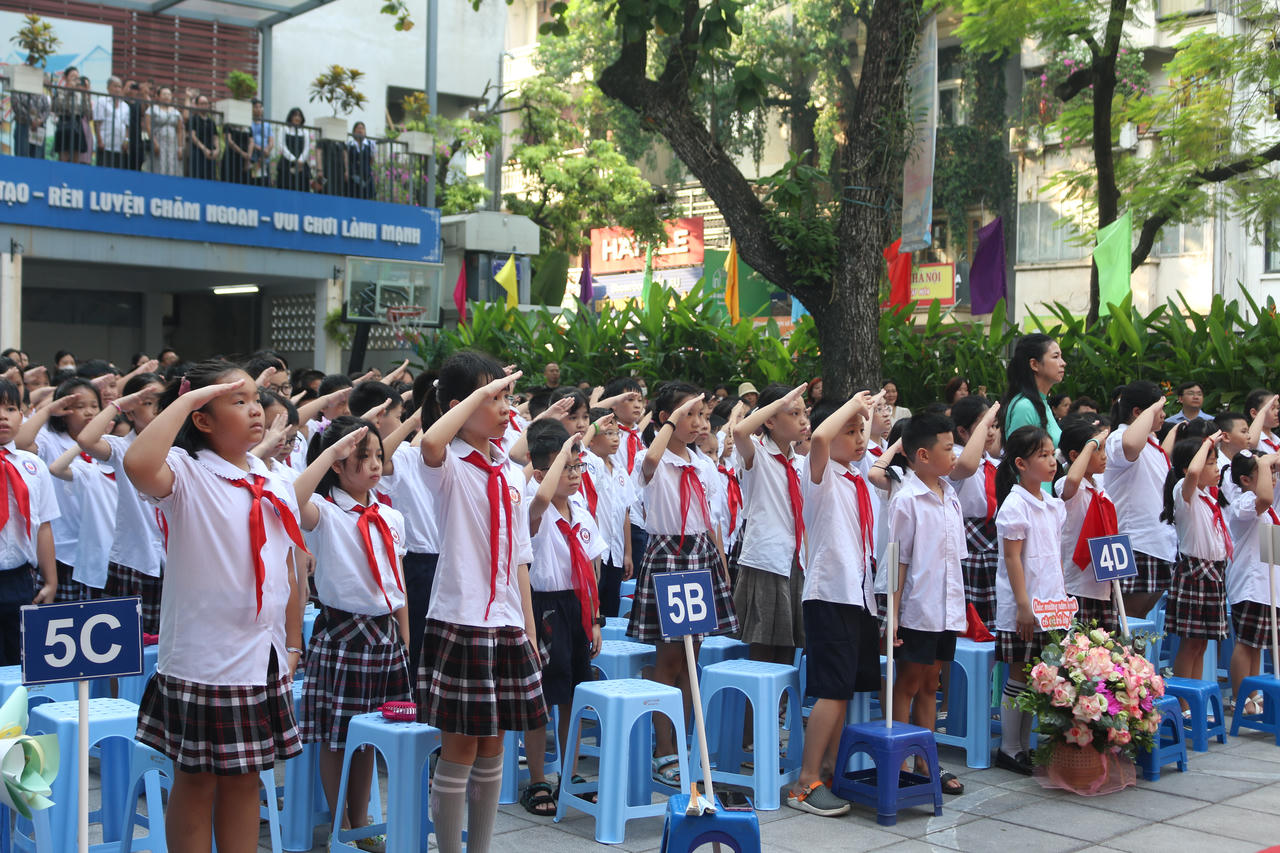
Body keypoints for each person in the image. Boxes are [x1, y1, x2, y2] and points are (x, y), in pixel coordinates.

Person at [124, 360, 306, 852]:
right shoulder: (187, 471)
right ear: (202, 419)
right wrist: (183, 400)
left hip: (258, 655)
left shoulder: (269, 475)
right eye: (238, 400)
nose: (256, 410)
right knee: (197, 780)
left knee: (247, 779)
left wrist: (291, 641)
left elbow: (287, 562)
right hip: (204, 659)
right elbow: (138, 465)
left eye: (255, 399)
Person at [415, 352, 546, 853]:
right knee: (461, 746)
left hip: (505, 621)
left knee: (495, 744)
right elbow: (430, 439)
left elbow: (518, 559)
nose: (504, 408)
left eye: (506, 398)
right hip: (462, 619)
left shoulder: (509, 473)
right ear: (459, 405)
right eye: (493, 398)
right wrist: (475, 397)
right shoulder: (448, 464)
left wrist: (528, 628)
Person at [296, 416, 411, 848]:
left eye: (378, 456)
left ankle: (360, 819)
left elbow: (396, 582)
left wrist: (404, 636)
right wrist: (330, 451)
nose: (375, 464)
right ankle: (342, 819)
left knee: (368, 737)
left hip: (384, 636)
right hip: (342, 635)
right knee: (336, 736)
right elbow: (291, 500)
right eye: (363, 457)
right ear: (339, 466)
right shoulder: (325, 512)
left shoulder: (392, 517)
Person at [631, 382, 737, 788]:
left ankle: (688, 744)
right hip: (668, 555)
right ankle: (664, 749)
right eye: (688, 415)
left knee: (694, 656)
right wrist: (670, 422)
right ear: (665, 420)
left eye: (702, 415)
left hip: (701, 555)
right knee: (670, 660)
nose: (697, 423)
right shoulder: (652, 458)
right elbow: (649, 463)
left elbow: (711, 520)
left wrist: (721, 564)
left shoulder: (704, 466)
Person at [785, 391, 881, 816]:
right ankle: (805, 783)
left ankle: (827, 769)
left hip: (857, 596)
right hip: (829, 595)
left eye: (862, 431)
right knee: (832, 690)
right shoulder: (818, 474)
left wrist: (868, 410)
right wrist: (850, 405)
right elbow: (821, 436)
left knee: (844, 691)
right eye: (851, 431)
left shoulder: (857, 479)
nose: (859, 438)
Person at [520, 423, 605, 817]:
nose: (573, 475)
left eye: (577, 468)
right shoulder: (534, 513)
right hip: (544, 607)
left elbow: (592, 569)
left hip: (577, 606)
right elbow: (539, 497)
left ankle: (568, 776)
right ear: (543, 473)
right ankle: (538, 778)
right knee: (540, 699)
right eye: (565, 468)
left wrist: (596, 620)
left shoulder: (581, 512)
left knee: (573, 694)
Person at [887, 411, 967, 794]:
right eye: (948, 448)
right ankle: (899, 759)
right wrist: (894, 613)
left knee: (931, 683)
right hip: (918, 608)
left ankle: (926, 760)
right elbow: (897, 561)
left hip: (945, 608)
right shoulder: (907, 499)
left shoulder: (949, 495)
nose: (955, 455)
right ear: (921, 455)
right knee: (907, 682)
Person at [993, 425, 1067, 776]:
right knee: (1020, 673)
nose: (1052, 461)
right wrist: (1023, 605)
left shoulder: (1051, 504)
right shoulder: (1014, 504)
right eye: (1043, 455)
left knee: (1040, 673)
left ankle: (1024, 746)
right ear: (1021, 463)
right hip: (1024, 606)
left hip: (1051, 605)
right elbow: (1012, 559)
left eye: (1053, 454)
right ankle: (1009, 747)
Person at [75, 373, 167, 633]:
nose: (157, 411)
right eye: (148, 403)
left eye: (162, 404)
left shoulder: (182, 448)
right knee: (123, 643)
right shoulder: (122, 447)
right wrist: (118, 404)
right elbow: (86, 440)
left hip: (176, 560)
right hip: (135, 559)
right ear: (130, 413)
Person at [732, 383, 811, 665]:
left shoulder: (800, 463)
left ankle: (782, 707)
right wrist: (779, 403)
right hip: (766, 560)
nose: (803, 420)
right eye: (793, 413)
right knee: (763, 645)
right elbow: (739, 431)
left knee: (789, 645)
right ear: (770, 420)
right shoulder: (757, 454)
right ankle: (761, 709)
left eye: (804, 413)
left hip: (795, 559)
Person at [18, 378, 104, 601]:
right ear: (63, 410)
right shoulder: (50, 439)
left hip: (100, 549)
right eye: (80, 406)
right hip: (61, 546)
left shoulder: (108, 442)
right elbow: (21, 442)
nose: (89, 412)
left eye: (94, 406)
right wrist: (48, 410)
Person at [1163, 434, 1232, 695]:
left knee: (1202, 645)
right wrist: (1208, 441)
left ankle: (1194, 698)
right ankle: (1182, 703)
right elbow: (1193, 471)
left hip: (1213, 573)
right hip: (1194, 573)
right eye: (1211, 463)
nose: (1217, 469)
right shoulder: (1185, 493)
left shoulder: (1208, 498)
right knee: (1190, 644)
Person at [0, 378, 59, 663]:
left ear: (23, 414)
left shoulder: (33, 465)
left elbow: (44, 524)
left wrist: (51, 580)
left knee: (20, 660)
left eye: (11, 408)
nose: (3, 416)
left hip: (21, 576)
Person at [1107, 381, 1177, 617]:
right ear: (1138, 412)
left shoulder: (1152, 444)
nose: (1164, 416)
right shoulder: (1119, 437)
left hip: (1157, 543)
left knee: (1141, 626)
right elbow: (1129, 444)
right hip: (1132, 542)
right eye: (1159, 410)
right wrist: (1151, 409)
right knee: (1127, 623)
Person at [1224, 450, 1279, 715]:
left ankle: (1252, 695)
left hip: (1267, 587)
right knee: (1246, 644)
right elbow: (1266, 496)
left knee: (1257, 645)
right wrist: (1266, 460)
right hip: (1250, 585)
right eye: (1266, 473)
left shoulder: (1266, 509)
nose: (1272, 478)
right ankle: (1239, 698)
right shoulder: (1244, 502)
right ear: (1246, 480)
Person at [1055, 419, 1119, 632]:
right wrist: (1092, 442)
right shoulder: (1066, 485)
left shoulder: (1099, 486)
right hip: (1077, 582)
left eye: (1103, 449)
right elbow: (1073, 478)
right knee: (1079, 649)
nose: (1103, 456)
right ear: (1075, 456)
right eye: (1097, 450)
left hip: (1103, 580)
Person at [945, 396, 1003, 629]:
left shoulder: (995, 464)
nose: (991, 432)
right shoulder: (955, 458)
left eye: (995, 426)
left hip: (993, 539)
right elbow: (966, 467)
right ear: (962, 430)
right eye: (984, 426)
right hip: (968, 539)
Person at [583, 408, 635, 617]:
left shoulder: (620, 470)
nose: (615, 439)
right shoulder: (586, 466)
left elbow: (625, 514)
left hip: (616, 553)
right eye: (608, 433)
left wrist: (628, 553)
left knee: (611, 609)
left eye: (617, 433)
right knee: (592, 609)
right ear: (592, 439)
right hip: (597, 552)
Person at [1000, 334, 1066, 448]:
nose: (1063, 363)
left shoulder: (1040, 401)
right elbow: (1018, 457)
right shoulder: (1025, 407)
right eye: (1055, 357)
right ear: (1034, 364)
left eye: (1061, 357)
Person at [52, 67, 89, 162]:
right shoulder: (60, 91)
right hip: (65, 122)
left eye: (77, 77)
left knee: (76, 153)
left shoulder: (80, 93)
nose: (75, 79)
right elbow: (58, 107)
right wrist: (69, 92)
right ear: (65, 78)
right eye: (73, 76)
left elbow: (86, 111)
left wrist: (86, 94)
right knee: (64, 154)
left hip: (77, 123)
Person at [93, 76, 130, 169]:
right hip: (105, 144)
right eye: (115, 86)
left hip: (119, 147)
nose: (117, 89)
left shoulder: (125, 106)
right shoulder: (102, 101)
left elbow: (126, 126)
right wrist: (99, 141)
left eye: (119, 87)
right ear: (108, 88)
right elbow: (97, 122)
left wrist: (126, 141)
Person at [11, 71, 51, 158]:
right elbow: (16, 105)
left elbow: (47, 109)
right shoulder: (18, 90)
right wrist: (31, 120)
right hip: (23, 125)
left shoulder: (41, 94)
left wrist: (40, 120)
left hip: (38, 128)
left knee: (37, 157)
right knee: (22, 156)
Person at [146, 87, 183, 177]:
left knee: (172, 165)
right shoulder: (152, 109)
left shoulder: (176, 112)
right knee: (159, 164)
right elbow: (148, 126)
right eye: (164, 94)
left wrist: (180, 147)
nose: (167, 96)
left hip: (172, 142)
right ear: (158, 96)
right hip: (158, 140)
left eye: (169, 94)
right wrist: (155, 143)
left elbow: (179, 130)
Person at [278, 108, 312, 191]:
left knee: (302, 187)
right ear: (291, 117)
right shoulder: (284, 129)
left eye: (299, 116)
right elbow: (282, 146)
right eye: (295, 115)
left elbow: (307, 148)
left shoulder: (305, 131)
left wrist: (301, 160)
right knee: (286, 187)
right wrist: (293, 159)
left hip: (301, 163)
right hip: (286, 162)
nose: (297, 118)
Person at [186, 95, 219, 180]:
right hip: (197, 152)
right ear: (197, 105)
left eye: (206, 103)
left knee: (211, 178)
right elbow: (192, 136)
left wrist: (217, 150)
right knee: (197, 176)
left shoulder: (211, 122)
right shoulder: (193, 119)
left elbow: (215, 137)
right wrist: (204, 149)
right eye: (202, 103)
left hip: (210, 153)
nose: (204, 106)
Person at [222, 114, 254, 185]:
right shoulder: (228, 125)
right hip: (231, 158)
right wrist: (242, 153)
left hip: (245, 160)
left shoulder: (248, 127)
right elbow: (229, 140)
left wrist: (248, 157)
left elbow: (251, 142)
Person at [1245, 388, 1280, 454]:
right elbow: (1251, 442)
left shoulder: (1277, 440)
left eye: (1278, 408)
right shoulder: (1253, 438)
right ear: (1254, 413)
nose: (1277, 413)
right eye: (1272, 408)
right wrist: (1263, 411)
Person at [250, 99, 275, 187]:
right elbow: (249, 140)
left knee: (265, 183)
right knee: (253, 183)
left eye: (260, 107)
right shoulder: (249, 123)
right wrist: (260, 149)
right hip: (253, 158)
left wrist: (267, 150)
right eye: (256, 107)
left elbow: (271, 141)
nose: (259, 109)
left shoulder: (267, 124)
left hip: (265, 159)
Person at [347, 121, 376, 199]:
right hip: (353, 178)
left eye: (362, 128)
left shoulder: (370, 144)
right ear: (354, 131)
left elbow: (372, 160)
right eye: (358, 128)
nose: (360, 130)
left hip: (367, 178)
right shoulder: (349, 145)